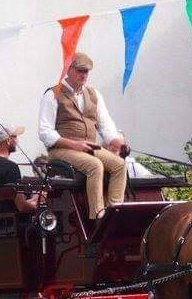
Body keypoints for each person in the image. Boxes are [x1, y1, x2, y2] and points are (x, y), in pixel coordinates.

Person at [38, 52, 126, 220]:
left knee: (119, 165)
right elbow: (45, 132)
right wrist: (73, 144)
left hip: (88, 147)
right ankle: (97, 217)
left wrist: (117, 142)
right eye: (80, 70)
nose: (84, 75)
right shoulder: (53, 94)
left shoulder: (94, 94)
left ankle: (115, 213)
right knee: (95, 165)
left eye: (86, 71)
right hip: (61, 149)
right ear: (68, 69)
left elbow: (105, 124)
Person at [0, 123, 40, 216]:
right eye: (15, 137)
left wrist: (31, 201)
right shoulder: (10, 167)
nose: (17, 140)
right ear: (8, 140)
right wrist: (37, 206)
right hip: (15, 223)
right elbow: (21, 207)